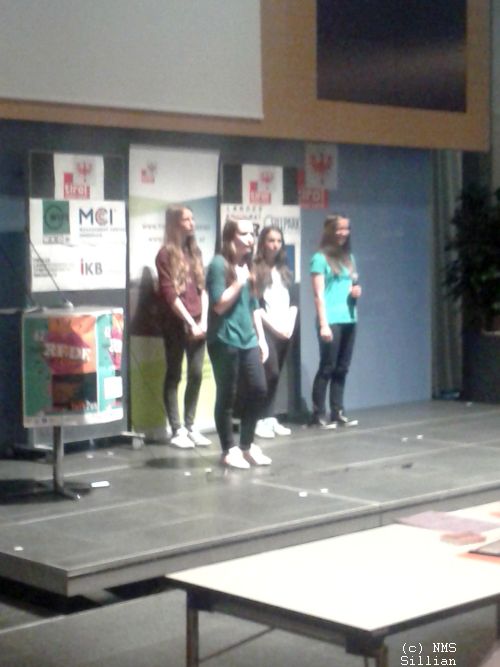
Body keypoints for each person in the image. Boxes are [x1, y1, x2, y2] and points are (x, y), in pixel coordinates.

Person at [206, 216, 272, 469]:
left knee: (259, 389)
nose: (250, 238)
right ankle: (228, 449)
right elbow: (219, 304)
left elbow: (254, 306)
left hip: (248, 338)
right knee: (227, 394)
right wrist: (238, 282)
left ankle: (246, 445)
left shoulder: (247, 265)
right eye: (244, 233)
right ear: (230, 237)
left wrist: (262, 339)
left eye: (251, 233)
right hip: (224, 338)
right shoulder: (218, 265)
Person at [155, 205, 211, 448]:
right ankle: (177, 429)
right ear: (174, 223)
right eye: (186, 219)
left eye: (192, 218)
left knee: (196, 374)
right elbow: (170, 295)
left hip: (199, 322)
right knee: (174, 374)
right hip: (176, 324)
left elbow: (202, 288)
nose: (191, 223)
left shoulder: (194, 251)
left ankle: (190, 425)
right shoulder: (164, 255)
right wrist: (189, 322)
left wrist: (204, 321)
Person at [309, 214, 361, 429]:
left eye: (346, 229)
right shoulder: (320, 258)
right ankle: (318, 414)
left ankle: (337, 411)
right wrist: (323, 324)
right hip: (330, 319)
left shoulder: (349, 258)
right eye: (339, 228)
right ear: (330, 230)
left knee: (342, 367)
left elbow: (350, 285)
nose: (343, 233)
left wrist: (355, 292)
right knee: (327, 367)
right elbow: (318, 294)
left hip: (349, 317)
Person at [253, 226, 297, 439]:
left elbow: (294, 302)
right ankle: (258, 419)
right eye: (271, 240)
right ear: (263, 243)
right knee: (268, 373)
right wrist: (276, 328)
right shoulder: (256, 270)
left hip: (286, 329)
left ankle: (270, 417)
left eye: (279, 241)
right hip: (268, 329)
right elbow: (257, 306)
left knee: (276, 375)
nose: (275, 245)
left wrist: (289, 325)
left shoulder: (285, 270)